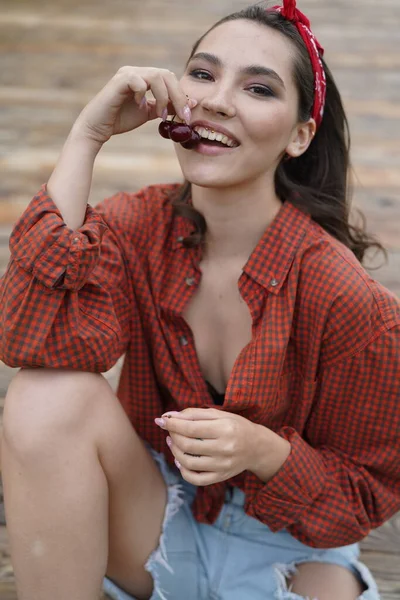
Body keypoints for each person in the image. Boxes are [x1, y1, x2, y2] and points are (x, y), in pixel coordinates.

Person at [0, 1, 399, 599]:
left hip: (288, 546)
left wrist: (266, 451)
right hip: (158, 516)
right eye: (204, 75)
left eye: (258, 88)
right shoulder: (137, 227)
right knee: (45, 392)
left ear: (299, 136)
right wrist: (87, 136)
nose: (215, 100)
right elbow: (31, 337)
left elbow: (367, 494)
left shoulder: (345, 296)